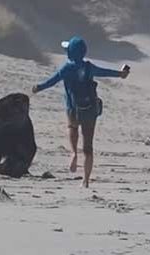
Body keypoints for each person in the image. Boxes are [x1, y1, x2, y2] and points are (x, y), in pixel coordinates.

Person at [31, 36, 130, 188]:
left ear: (70, 52)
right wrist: (121, 73)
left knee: (72, 128)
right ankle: (86, 180)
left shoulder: (67, 68)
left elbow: (52, 80)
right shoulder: (90, 67)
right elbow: (105, 72)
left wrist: (38, 87)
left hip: (73, 109)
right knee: (88, 146)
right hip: (90, 110)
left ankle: (73, 154)